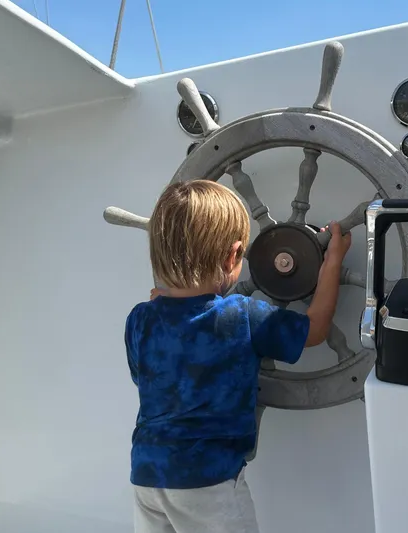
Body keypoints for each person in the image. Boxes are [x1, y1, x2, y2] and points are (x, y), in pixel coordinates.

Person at [125, 179, 352, 533]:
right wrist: (333, 260)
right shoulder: (242, 315)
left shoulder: (140, 317)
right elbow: (315, 329)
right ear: (234, 256)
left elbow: (146, 377)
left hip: (147, 474)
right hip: (207, 481)